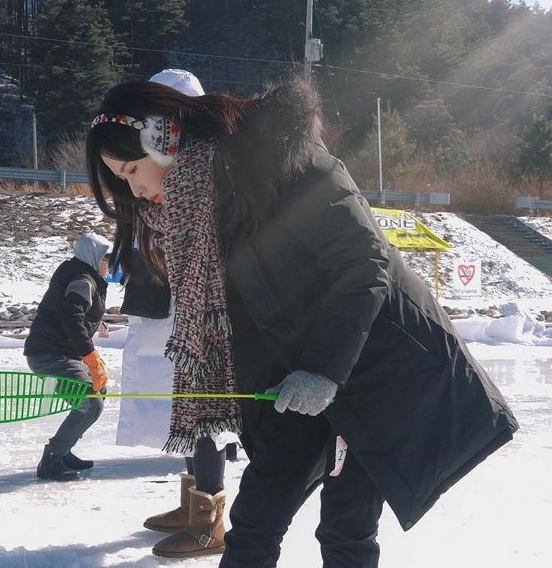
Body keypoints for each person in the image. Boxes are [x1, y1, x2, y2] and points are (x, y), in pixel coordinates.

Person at [85, 76, 519, 567]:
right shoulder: (196, 215)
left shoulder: (287, 161)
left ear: (163, 137)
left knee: (346, 526)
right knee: (254, 524)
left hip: (373, 369)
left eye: (131, 170)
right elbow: (250, 322)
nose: (136, 189)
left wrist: (324, 370)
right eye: (122, 181)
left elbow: (362, 265)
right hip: (294, 382)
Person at [116, 69, 236, 558]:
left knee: (202, 408)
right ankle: (194, 505)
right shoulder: (158, 175)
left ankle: (210, 521)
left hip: (202, 312)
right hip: (172, 309)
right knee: (180, 406)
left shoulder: (205, 168)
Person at [23, 233, 111, 481]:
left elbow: (79, 314)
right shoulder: (82, 278)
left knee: (97, 391)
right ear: (94, 257)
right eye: (107, 259)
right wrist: (90, 357)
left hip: (61, 351)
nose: (110, 265)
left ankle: (63, 450)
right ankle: (51, 460)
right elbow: (72, 319)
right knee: (90, 402)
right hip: (50, 353)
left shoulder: (84, 274)